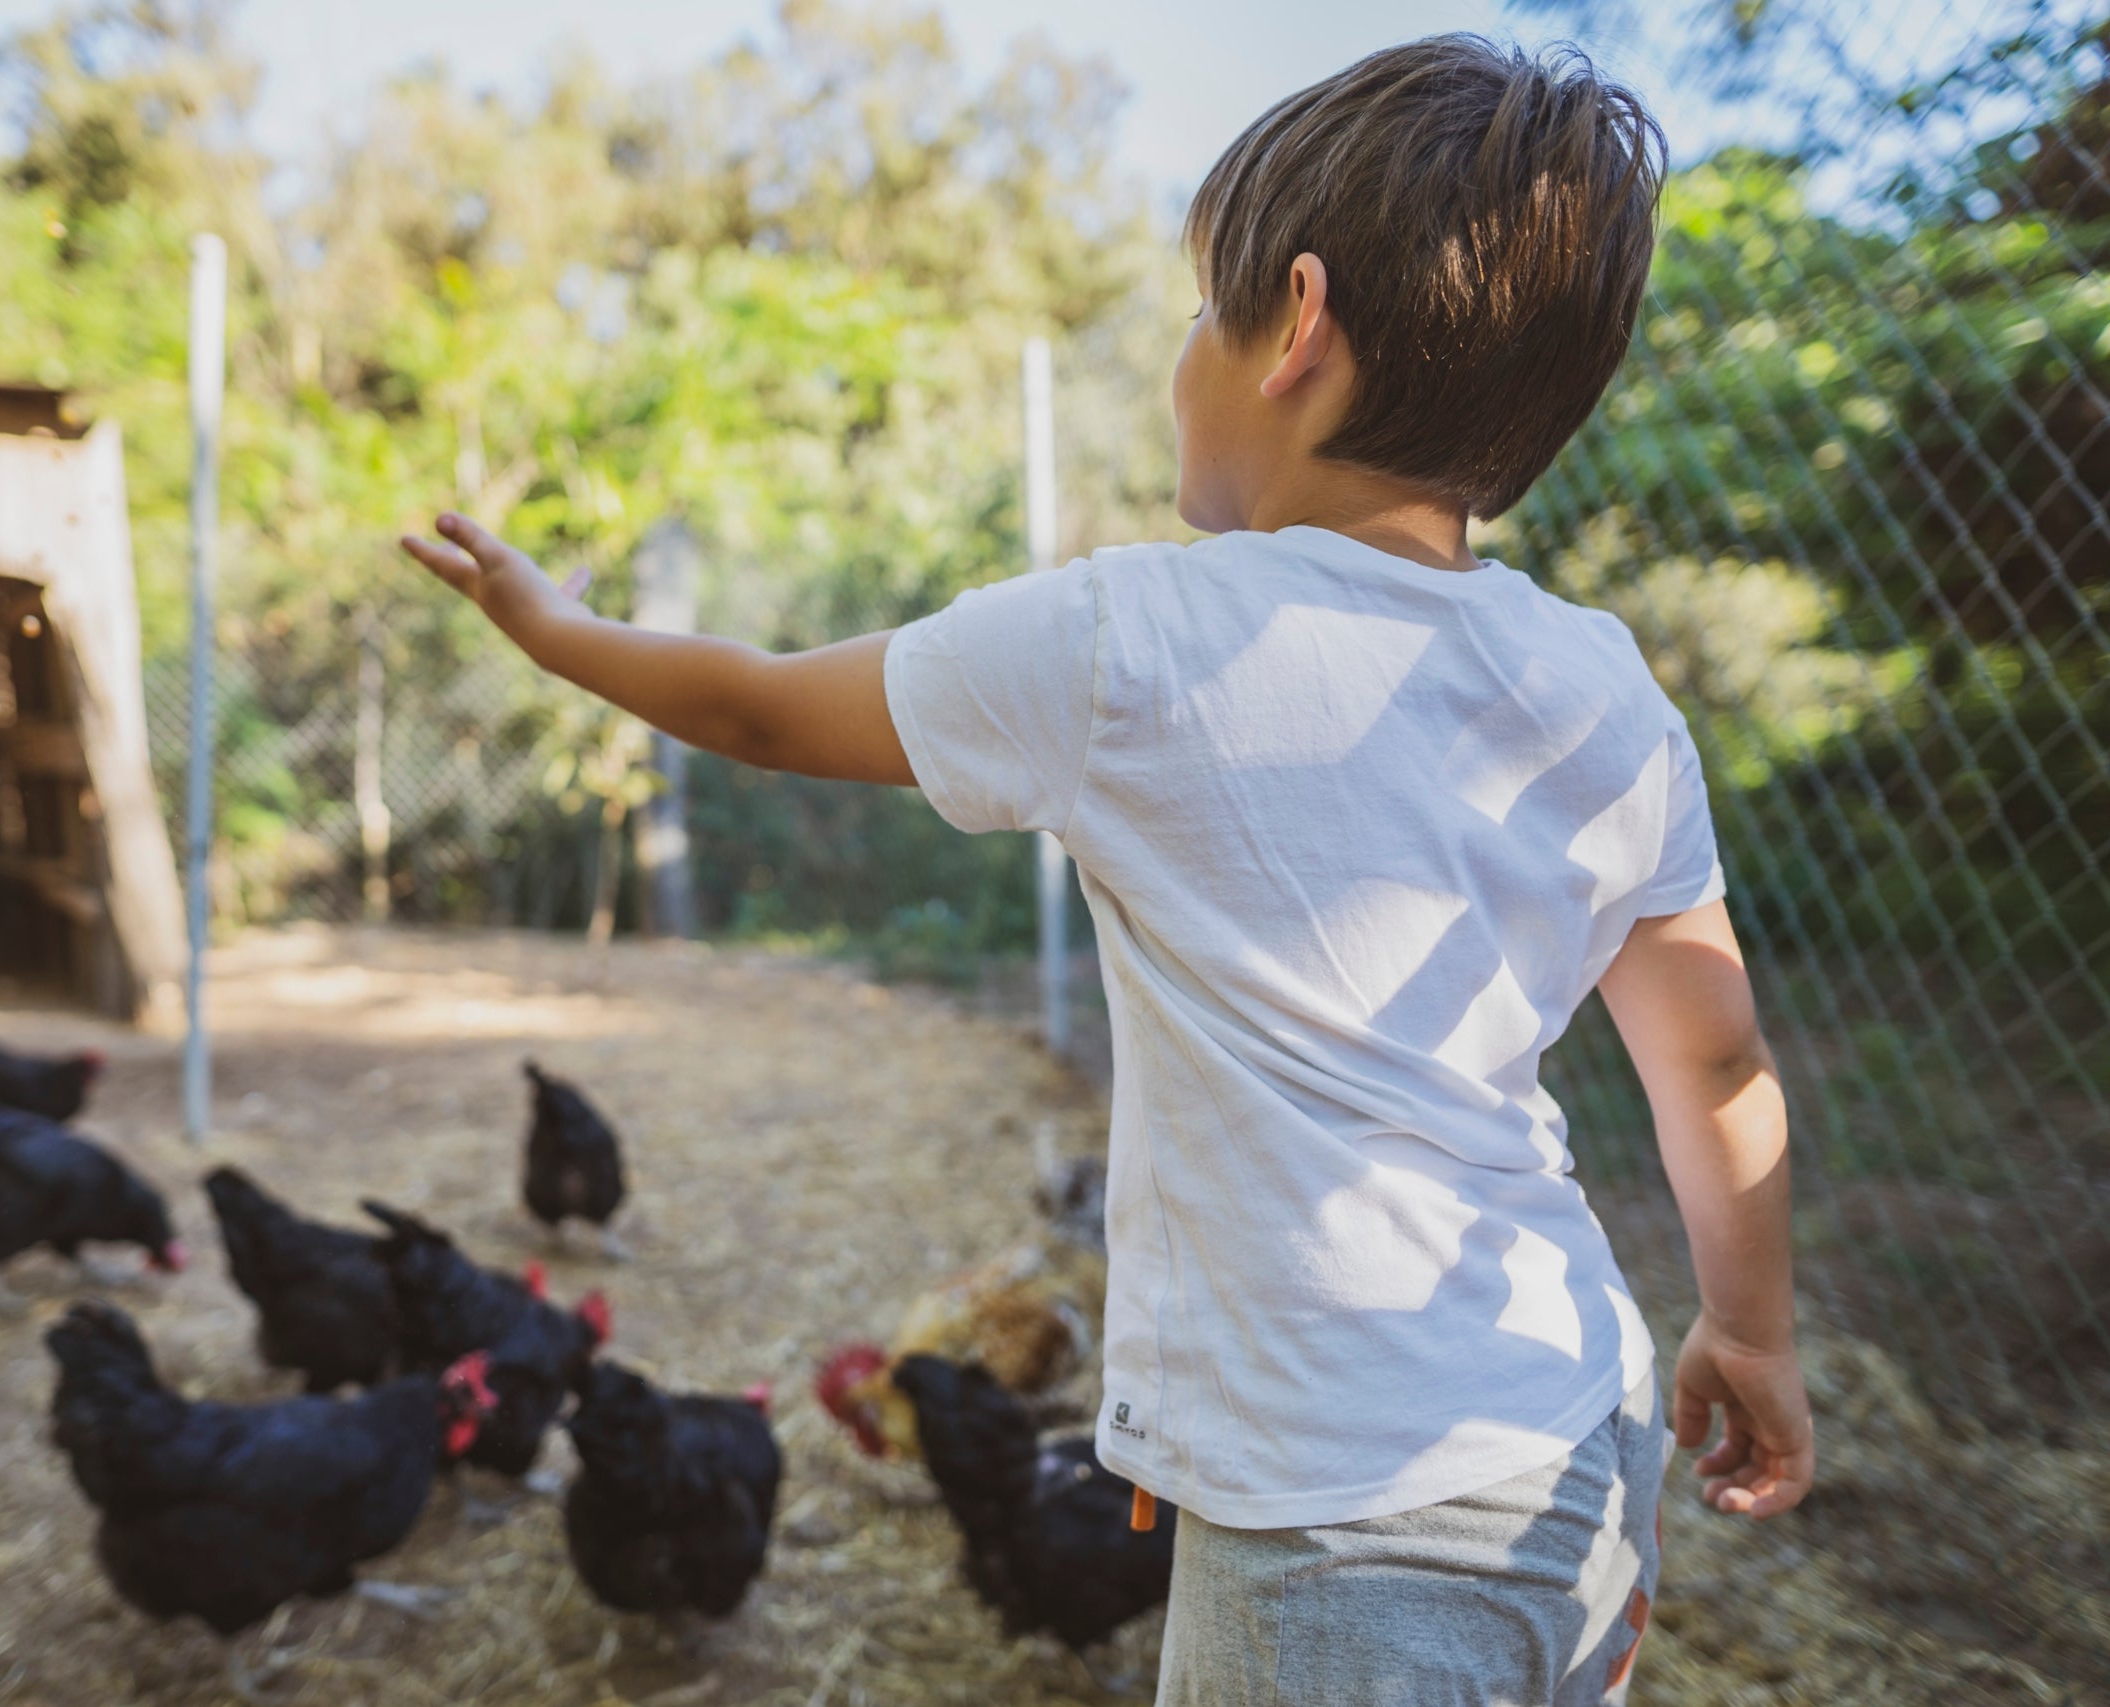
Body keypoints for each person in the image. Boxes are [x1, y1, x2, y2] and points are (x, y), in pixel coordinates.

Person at [405, 32, 1813, 1704]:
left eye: (1197, 311)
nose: (1179, 360)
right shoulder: (1605, 689)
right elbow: (1714, 1052)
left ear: (1293, 327)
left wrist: (553, 626)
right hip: (1575, 1435)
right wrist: (1758, 1330)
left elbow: (765, 715)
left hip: (1329, 1506)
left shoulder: (1133, 640)